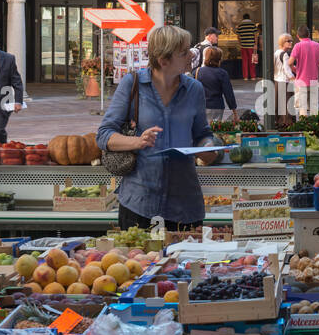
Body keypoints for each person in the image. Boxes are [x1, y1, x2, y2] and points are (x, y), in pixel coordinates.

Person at [96, 25, 220, 230]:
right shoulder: (132, 84)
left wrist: (208, 147)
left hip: (185, 205)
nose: (191, 54)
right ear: (163, 61)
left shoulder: (194, 89)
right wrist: (137, 141)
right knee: (140, 261)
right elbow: (104, 135)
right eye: (184, 52)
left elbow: (202, 134)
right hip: (140, 203)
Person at [289, 25, 319, 117]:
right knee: (313, 106)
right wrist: (316, 64)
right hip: (314, 79)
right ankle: (314, 126)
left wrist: (294, 69)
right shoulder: (317, 45)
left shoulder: (297, 46)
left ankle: (304, 127)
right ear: (309, 34)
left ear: (298, 36)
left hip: (301, 79)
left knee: (302, 107)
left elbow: (290, 62)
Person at [197, 45, 237, 122]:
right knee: (215, 130)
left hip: (201, 106)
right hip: (217, 106)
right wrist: (234, 111)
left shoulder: (197, 71)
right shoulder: (222, 73)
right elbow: (228, 93)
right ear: (219, 58)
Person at [273, 32, 295, 119]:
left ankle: (279, 122)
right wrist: (294, 79)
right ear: (283, 42)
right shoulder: (284, 54)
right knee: (287, 105)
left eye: (291, 41)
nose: (291, 43)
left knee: (279, 105)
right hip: (285, 82)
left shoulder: (276, 53)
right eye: (288, 41)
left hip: (277, 81)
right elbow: (287, 70)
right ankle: (287, 124)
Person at [236, 13, 259, 80]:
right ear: (249, 18)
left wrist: (240, 43)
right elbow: (255, 35)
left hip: (243, 46)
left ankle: (245, 77)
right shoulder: (253, 25)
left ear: (243, 18)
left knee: (244, 62)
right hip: (251, 46)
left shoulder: (240, 26)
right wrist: (255, 44)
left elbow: (238, 36)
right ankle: (252, 76)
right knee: (252, 61)